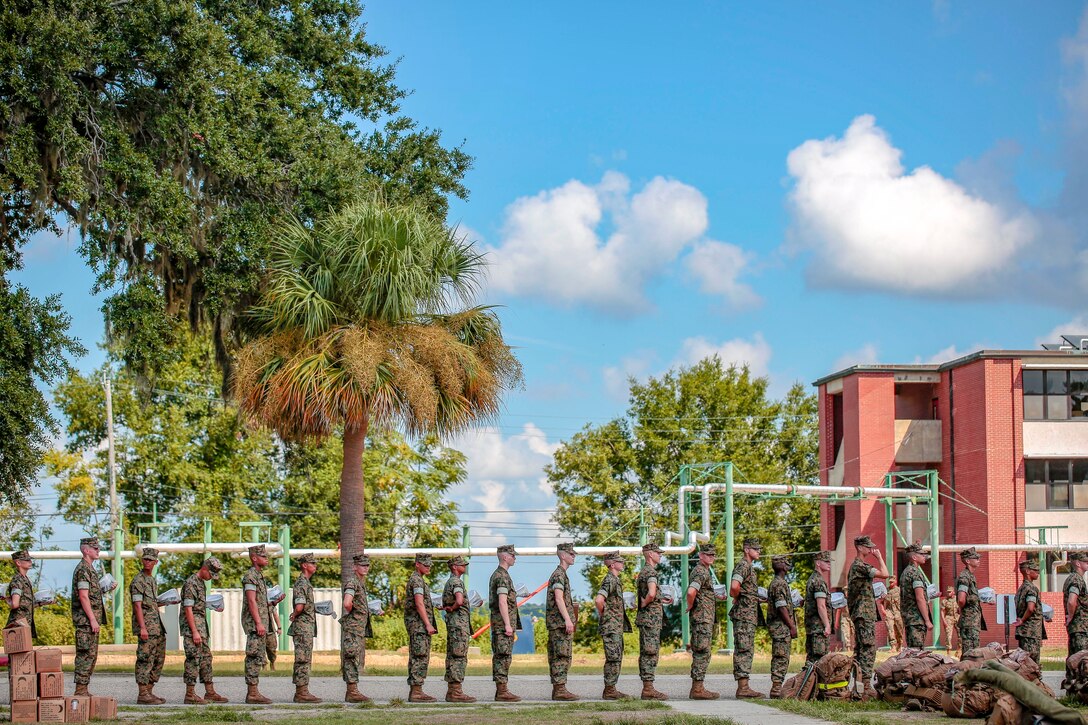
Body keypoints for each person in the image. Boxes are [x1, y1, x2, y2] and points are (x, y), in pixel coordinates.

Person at [181, 557, 227, 705]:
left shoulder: (201, 584)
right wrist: (194, 631)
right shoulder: (191, 583)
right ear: (205, 569)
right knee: (193, 659)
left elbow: (198, 605)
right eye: (211, 575)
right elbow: (188, 609)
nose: (210, 579)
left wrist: (212, 606)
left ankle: (210, 692)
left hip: (202, 628)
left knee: (206, 658)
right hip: (192, 629)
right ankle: (190, 694)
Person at [847, 535, 889, 701]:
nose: (871, 550)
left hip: (863, 613)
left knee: (861, 649)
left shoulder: (859, 566)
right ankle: (864, 687)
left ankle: (857, 686)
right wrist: (879, 557)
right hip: (863, 614)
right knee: (868, 648)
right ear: (859, 548)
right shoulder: (860, 566)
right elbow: (885, 574)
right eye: (868, 547)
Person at [729, 537, 764, 699]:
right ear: (746, 550)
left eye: (759, 549)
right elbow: (734, 587)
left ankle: (744, 686)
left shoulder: (749, 567)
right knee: (744, 649)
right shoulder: (743, 566)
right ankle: (743, 688)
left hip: (748, 615)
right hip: (744, 615)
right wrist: (737, 597)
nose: (759, 551)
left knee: (747, 648)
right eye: (755, 548)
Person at [130, 547, 166, 705]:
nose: (147, 562)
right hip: (147, 628)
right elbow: (137, 606)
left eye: (150, 560)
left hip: (156, 627)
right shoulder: (138, 581)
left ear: (156, 562)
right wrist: (143, 628)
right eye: (145, 559)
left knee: (158, 659)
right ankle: (142, 693)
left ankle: (149, 691)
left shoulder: (151, 580)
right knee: (145, 659)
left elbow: (151, 604)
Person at [72, 536, 106, 697]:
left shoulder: (90, 569)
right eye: (95, 548)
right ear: (86, 550)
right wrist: (92, 619)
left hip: (90, 621)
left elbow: (90, 595)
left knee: (91, 655)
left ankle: (83, 689)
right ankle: (80, 690)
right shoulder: (83, 569)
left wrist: (104, 589)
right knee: (85, 654)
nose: (98, 550)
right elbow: (83, 596)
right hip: (85, 622)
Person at [595, 550, 632, 700]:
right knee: (613, 658)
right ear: (612, 564)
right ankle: (609, 690)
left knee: (616, 657)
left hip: (615, 626)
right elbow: (599, 600)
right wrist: (606, 614)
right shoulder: (610, 580)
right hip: (611, 626)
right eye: (619, 561)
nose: (622, 563)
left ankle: (611, 688)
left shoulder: (615, 580)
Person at [686, 543, 720, 700]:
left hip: (704, 617)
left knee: (703, 651)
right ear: (701, 555)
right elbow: (692, 591)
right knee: (702, 651)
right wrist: (691, 605)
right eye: (708, 554)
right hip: (702, 618)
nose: (711, 557)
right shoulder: (700, 571)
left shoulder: (704, 571)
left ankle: (698, 687)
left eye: (713, 554)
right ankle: (698, 689)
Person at [241, 543, 275, 704]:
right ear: (254, 558)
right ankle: (252, 693)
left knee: (258, 656)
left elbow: (260, 602)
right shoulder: (250, 576)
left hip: (261, 623)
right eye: (263, 556)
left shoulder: (259, 576)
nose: (266, 558)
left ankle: (254, 692)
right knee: (254, 657)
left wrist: (272, 602)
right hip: (256, 625)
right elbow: (251, 600)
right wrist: (258, 623)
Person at [489, 544, 522, 702]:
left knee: (504, 656)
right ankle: (502, 691)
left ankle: (502, 689)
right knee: (503, 656)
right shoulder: (501, 576)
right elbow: (502, 602)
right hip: (502, 625)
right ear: (504, 556)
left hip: (501, 624)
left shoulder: (502, 575)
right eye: (512, 555)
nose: (514, 558)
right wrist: (508, 624)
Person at [546, 543, 579, 701]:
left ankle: (559, 689)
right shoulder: (559, 575)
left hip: (558, 623)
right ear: (563, 555)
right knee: (561, 655)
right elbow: (559, 598)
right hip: (559, 624)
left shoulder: (561, 574)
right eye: (571, 554)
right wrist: (567, 619)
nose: (574, 556)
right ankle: (560, 690)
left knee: (561, 655)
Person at [636, 542, 668, 700]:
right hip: (650, 620)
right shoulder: (650, 573)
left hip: (648, 620)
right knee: (650, 653)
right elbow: (651, 592)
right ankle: (648, 689)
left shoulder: (644, 571)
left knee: (648, 652)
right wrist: (646, 601)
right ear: (650, 554)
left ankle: (648, 687)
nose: (660, 555)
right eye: (657, 553)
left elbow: (653, 594)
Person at [404, 552, 438, 702]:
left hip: (418, 625)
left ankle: (417, 690)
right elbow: (419, 603)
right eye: (425, 564)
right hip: (419, 626)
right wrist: (428, 624)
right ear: (417, 564)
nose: (429, 567)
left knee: (420, 656)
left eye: (430, 564)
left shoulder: (419, 580)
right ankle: (416, 692)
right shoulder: (417, 581)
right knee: (419, 656)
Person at [442, 555, 475, 703]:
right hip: (459, 625)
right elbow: (459, 600)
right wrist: (453, 607)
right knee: (459, 657)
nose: (465, 566)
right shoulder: (456, 582)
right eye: (462, 564)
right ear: (455, 566)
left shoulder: (450, 581)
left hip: (454, 625)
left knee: (453, 655)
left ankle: (452, 691)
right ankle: (456, 692)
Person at [340, 553, 373, 703]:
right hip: (353, 627)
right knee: (351, 657)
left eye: (367, 565)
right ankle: (352, 691)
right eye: (362, 565)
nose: (365, 568)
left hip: (357, 628)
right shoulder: (352, 583)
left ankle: (353, 690)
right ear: (355, 567)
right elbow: (347, 602)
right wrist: (354, 613)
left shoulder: (360, 583)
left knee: (354, 657)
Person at [288, 553, 320, 703]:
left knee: (305, 658)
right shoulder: (301, 583)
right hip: (302, 627)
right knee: (302, 659)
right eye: (312, 563)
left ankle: (303, 690)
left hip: (306, 626)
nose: (315, 565)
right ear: (304, 565)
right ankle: (301, 692)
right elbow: (300, 606)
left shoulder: (305, 583)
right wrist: (294, 614)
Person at [767, 554, 798, 698]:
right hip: (780, 627)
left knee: (782, 656)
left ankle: (777, 686)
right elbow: (781, 607)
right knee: (781, 656)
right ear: (783, 567)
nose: (788, 566)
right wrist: (791, 626)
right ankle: (776, 688)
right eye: (786, 563)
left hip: (780, 626)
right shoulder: (779, 584)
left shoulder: (779, 582)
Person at [900, 542, 934, 649]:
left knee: (912, 651)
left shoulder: (906, 572)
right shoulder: (915, 573)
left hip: (910, 619)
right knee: (916, 653)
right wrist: (927, 620)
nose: (925, 556)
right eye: (921, 554)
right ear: (914, 557)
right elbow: (919, 598)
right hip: (916, 619)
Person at [1063, 552, 1088, 691]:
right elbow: (1072, 601)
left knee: (1074, 659)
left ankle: (1072, 693)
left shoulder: (1074, 578)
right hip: (1080, 626)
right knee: (1081, 660)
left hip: (1078, 626)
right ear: (1078, 563)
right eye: (1086, 562)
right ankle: (1081, 693)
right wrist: (1071, 616)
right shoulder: (1076, 579)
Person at [1013, 558, 1044, 665]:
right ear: (1027, 571)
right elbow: (1031, 608)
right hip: (1031, 632)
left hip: (1024, 632)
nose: (1038, 573)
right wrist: (1023, 620)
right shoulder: (1031, 588)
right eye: (1035, 570)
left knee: (1023, 662)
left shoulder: (1021, 589)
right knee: (1032, 664)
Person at [804, 551, 832, 665]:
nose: (829, 563)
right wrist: (827, 625)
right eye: (826, 561)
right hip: (818, 627)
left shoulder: (812, 578)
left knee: (811, 661)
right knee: (819, 662)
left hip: (812, 627)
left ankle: (807, 682)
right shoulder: (819, 581)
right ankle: (813, 683)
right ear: (818, 563)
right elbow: (821, 605)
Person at [956, 547, 984, 653]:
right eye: (975, 558)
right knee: (970, 651)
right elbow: (961, 599)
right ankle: (967, 669)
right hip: (969, 621)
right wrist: (961, 608)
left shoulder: (970, 576)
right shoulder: (965, 577)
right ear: (968, 561)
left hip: (972, 621)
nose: (978, 560)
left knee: (973, 649)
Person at [6, 549, 37, 639]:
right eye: (27, 560)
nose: (30, 562)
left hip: (24, 624)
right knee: (19, 652)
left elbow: (26, 603)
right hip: (18, 625)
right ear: (18, 563)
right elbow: (15, 604)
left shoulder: (25, 579)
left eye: (30, 559)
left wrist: (41, 603)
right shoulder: (17, 580)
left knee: (24, 652)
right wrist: (8, 601)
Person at [884, 576, 905, 652]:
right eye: (890, 582)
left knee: (899, 629)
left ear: (896, 581)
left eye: (892, 581)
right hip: (889, 612)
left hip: (898, 612)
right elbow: (881, 601)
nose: (891, 583)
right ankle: (893, 646)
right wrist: (883, 611)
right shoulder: (886, 591)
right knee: (890, 629)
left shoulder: (900, 590)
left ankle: (900, 645)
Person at [941, 586, 960, 652]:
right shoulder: (945, 601)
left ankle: (959, 650)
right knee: (948, 636)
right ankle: (948, 652)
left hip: (957, 618)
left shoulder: (957, 599)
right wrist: (944, 621)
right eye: (947, 592)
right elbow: (942, 611)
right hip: (948, 618)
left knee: (960, 635)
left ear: (953, 592)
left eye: (950, 592)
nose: (948, 593)